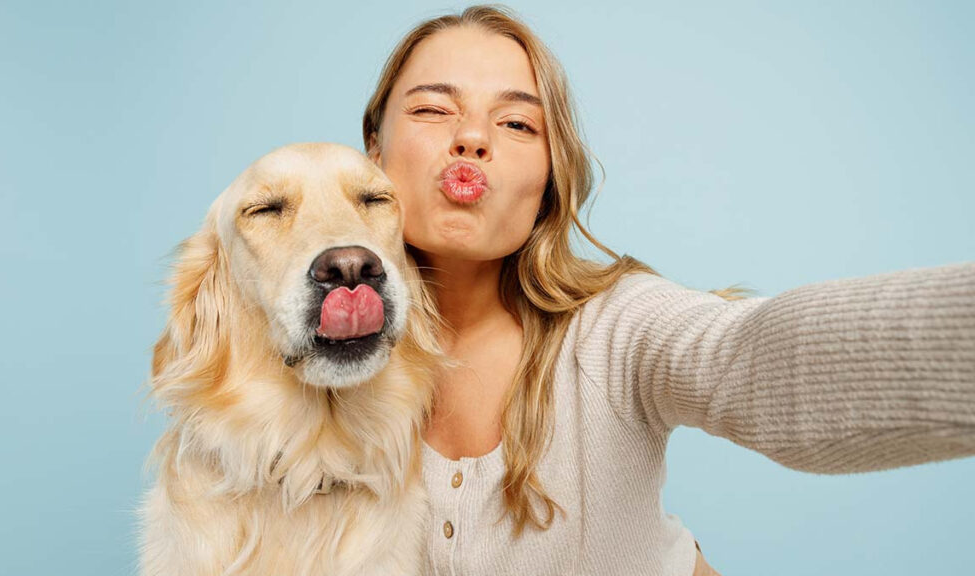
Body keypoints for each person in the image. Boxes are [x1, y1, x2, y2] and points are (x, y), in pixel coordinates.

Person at [360, 5, 975, 575]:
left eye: (518, 122)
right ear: (373, 148)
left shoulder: (616, 331)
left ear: (550, 178)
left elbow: (754, 356)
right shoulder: (294, 366)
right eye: (432, 110)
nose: (472, 139)